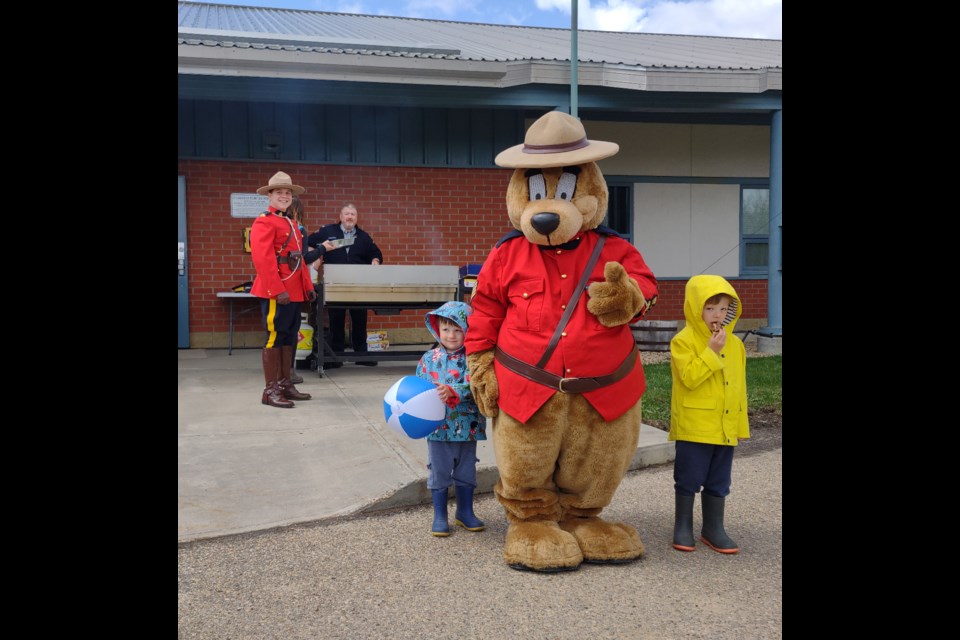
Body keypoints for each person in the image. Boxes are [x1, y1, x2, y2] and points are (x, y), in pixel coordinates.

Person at [669, 274, 750, 553]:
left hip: (724, 427)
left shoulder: (736, 345)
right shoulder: (684, 341)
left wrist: (740, 424)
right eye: (710, 307)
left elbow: (739, 388)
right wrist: (711, 352)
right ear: (695, 307)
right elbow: (689, 378)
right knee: (688, 477)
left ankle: (713, 528)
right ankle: (683, 526)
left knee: (719, 480)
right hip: (694, 424)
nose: (718, 314)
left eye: (724, 308)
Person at [416, 301, 486, 537]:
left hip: (468, 425)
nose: (452, 335)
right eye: (446, 329)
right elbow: (417, 389)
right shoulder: (429, 358)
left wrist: (454, 391)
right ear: (437, 330)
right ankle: (440, 515)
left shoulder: (474, 358)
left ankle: (465, 512)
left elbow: (477, 385)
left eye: (458, 329)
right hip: (437, 428)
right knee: (440, 469)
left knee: (466, 469)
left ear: (467, 331)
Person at [249, 171, 316, 408]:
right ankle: (270, 390)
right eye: (280, 192)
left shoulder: (292, 223)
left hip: (294, 290)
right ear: (270, 195)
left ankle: (286, 384)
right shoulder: (264, 221)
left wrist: (307, 287)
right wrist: (277, 289)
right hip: (276, 291)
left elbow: (300, 260)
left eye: (288, 193)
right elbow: (264, 260)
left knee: (290, 336)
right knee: (275, 336)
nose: (285, 196)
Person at [306, 204, 383, 367]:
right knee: (336, 319)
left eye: (353, 214)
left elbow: (376, 253)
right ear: (340, 217)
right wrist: (316, 256)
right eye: (347, 214)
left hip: (359, 285)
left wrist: (375, 261)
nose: (349, 217)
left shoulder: (364, 237)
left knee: (360, 319)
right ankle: (336, 357)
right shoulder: (328, 232)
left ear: (356, 218)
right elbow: (309, 242)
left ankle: (361, 355)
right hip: (335, 283)